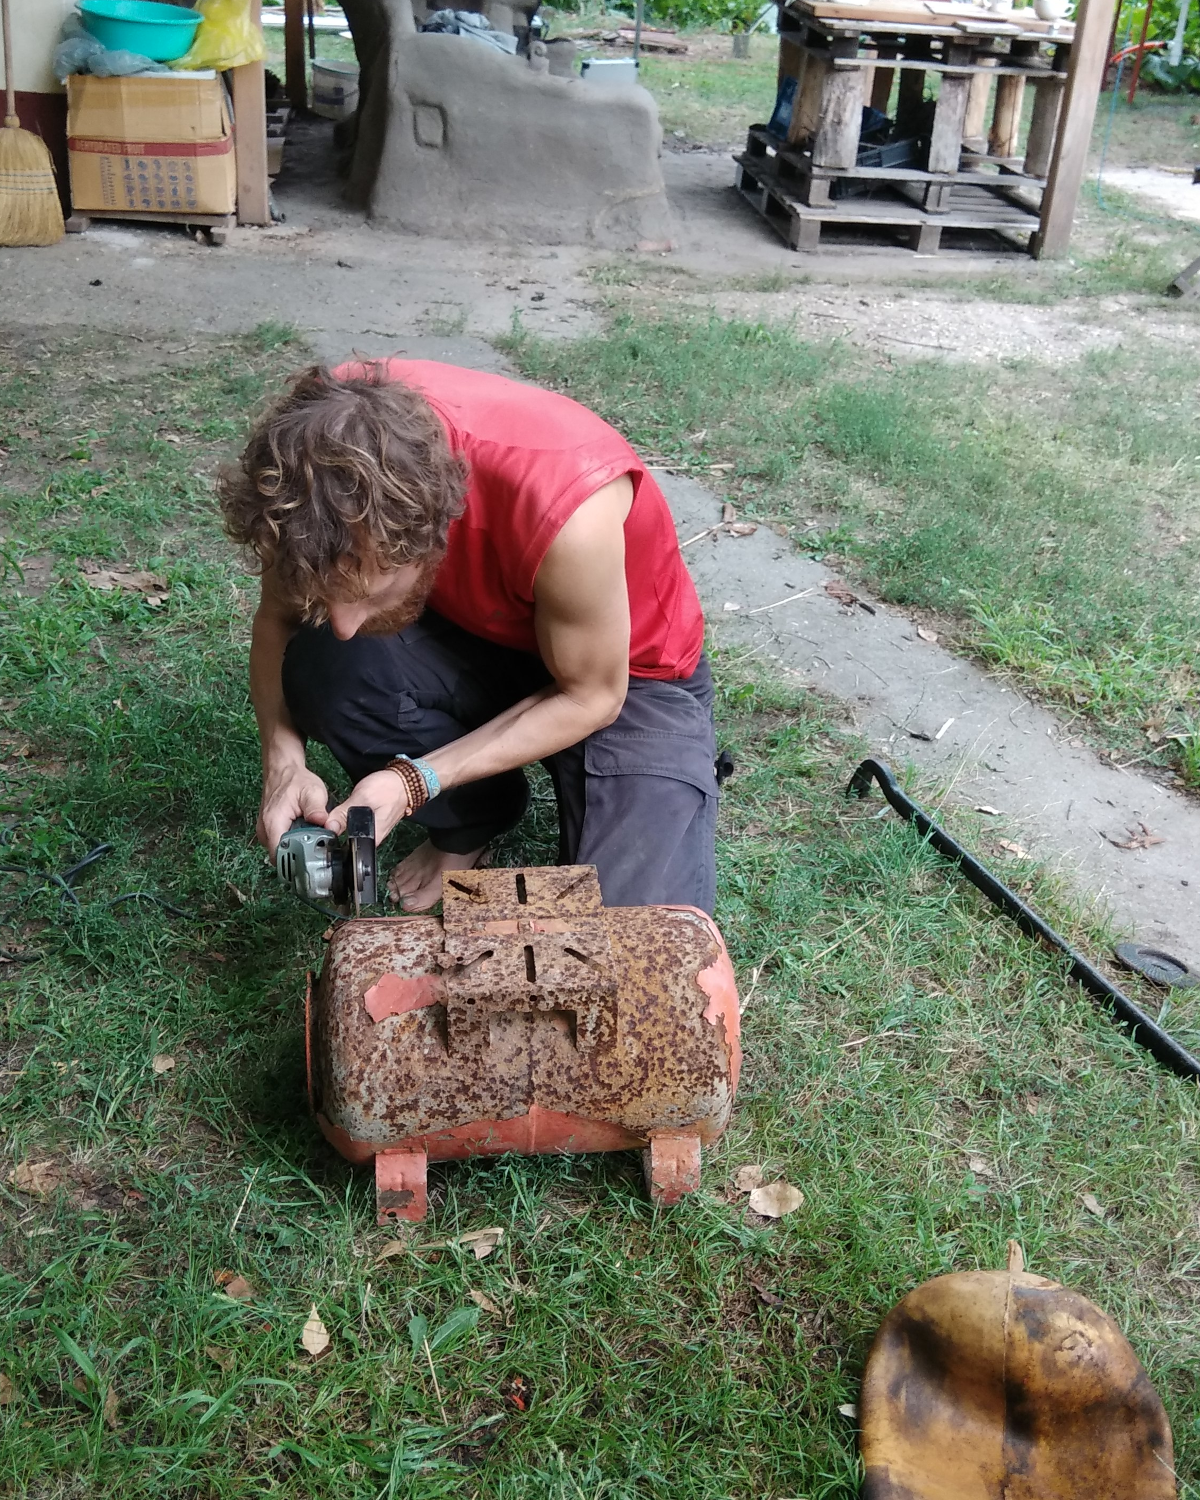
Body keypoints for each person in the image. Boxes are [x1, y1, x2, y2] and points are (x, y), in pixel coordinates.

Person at [219, 358, 719, 914]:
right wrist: (282, 759)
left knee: (635, 933)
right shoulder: (315, 455)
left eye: (368, 593)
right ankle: (471, 820)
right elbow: (279, 620)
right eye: (328, 594)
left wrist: (414, 781)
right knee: (326, 661)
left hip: (624, 678)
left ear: (431, 533)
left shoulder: (568, 502)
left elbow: (593, 695)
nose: (343, 623)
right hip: (474, 632)